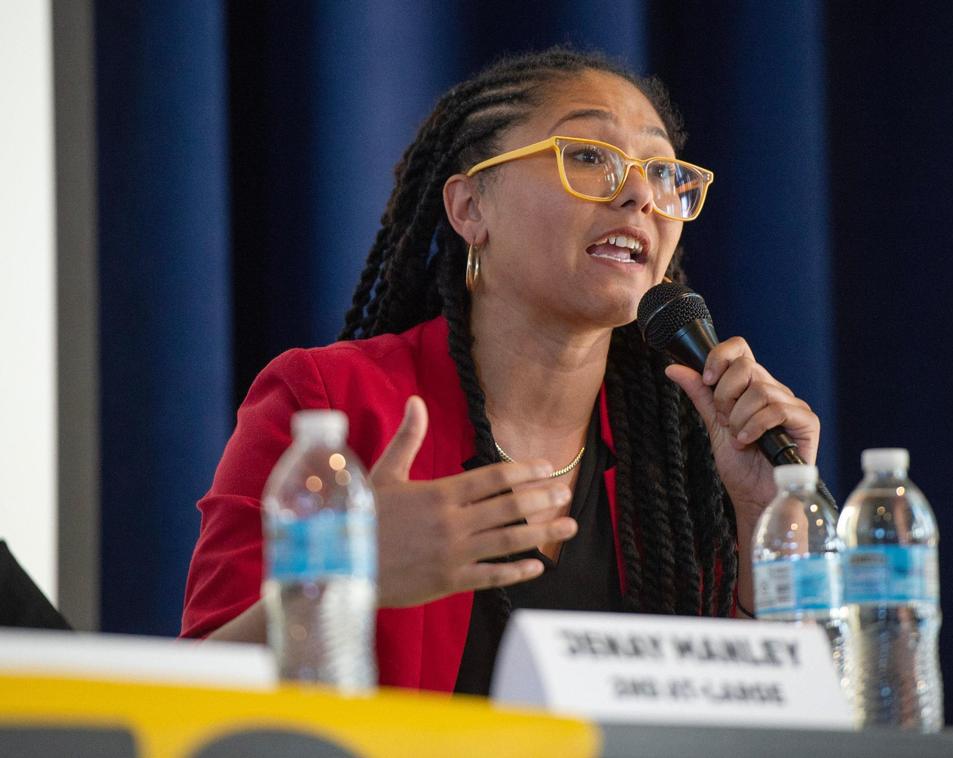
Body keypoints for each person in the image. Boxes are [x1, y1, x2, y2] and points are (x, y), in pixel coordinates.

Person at [181, 47, 821, 694]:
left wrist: (765, 515)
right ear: (470, 209)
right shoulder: (326, 407)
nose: (640, 195)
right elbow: (195, 690)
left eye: (660, 171)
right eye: (587, 156)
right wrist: (348, 579)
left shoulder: (685, 446)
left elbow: (759, 716)